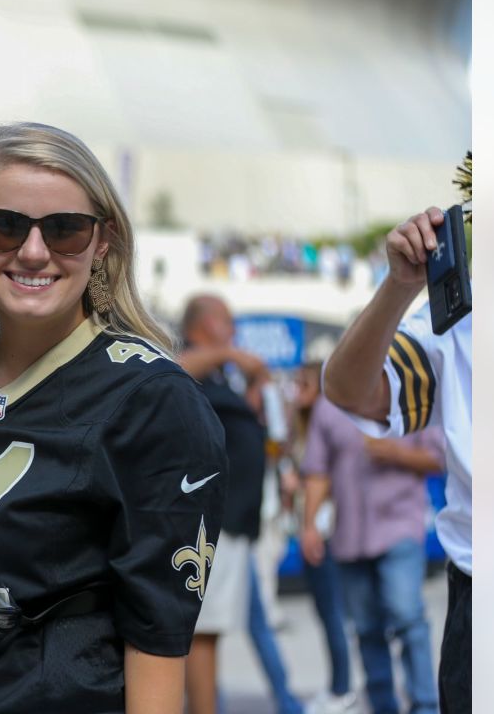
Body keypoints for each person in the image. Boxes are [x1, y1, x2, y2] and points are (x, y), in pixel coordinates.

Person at [0, 122, 227, 713]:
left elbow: (158, 635)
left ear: (104, 241)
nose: (34, 252)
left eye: (66, 229)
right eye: (5, 224)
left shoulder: (151, 399)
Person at [323, 205, 471, 713]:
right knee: (382, 630)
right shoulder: (461, 316)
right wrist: (399, 286)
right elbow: (349, 391)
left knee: (401, 624)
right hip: (488, 598)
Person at [300, 363, 443, 714]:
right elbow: (317, 470)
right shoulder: (329, 403)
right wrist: (309, 525)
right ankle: (384, 707)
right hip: (349, 536)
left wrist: (395, 452)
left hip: (399, 529)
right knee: (365, 629)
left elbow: (439, 458)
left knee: (407, 617)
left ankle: (424, 706)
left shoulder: (409, 392)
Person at [178, 294, 297, 714]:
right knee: (204, 632)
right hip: (213, 523)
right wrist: (229, 354)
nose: (234, 333)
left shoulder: (221, 375)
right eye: (227, 324)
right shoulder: (186, 360)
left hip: (233, 524)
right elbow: (175, 368)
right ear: (206, 324)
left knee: (218, 630)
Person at [288, 362, 357, 714]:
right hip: (313, 530)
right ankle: (338, 687)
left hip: (325, 531)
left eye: (303, 384)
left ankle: (342, 689)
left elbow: (325, 478)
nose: (295, 390)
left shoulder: (326, 421)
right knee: (326, 613)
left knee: (332, 614)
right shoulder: (303, 426)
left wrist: (310, 522)